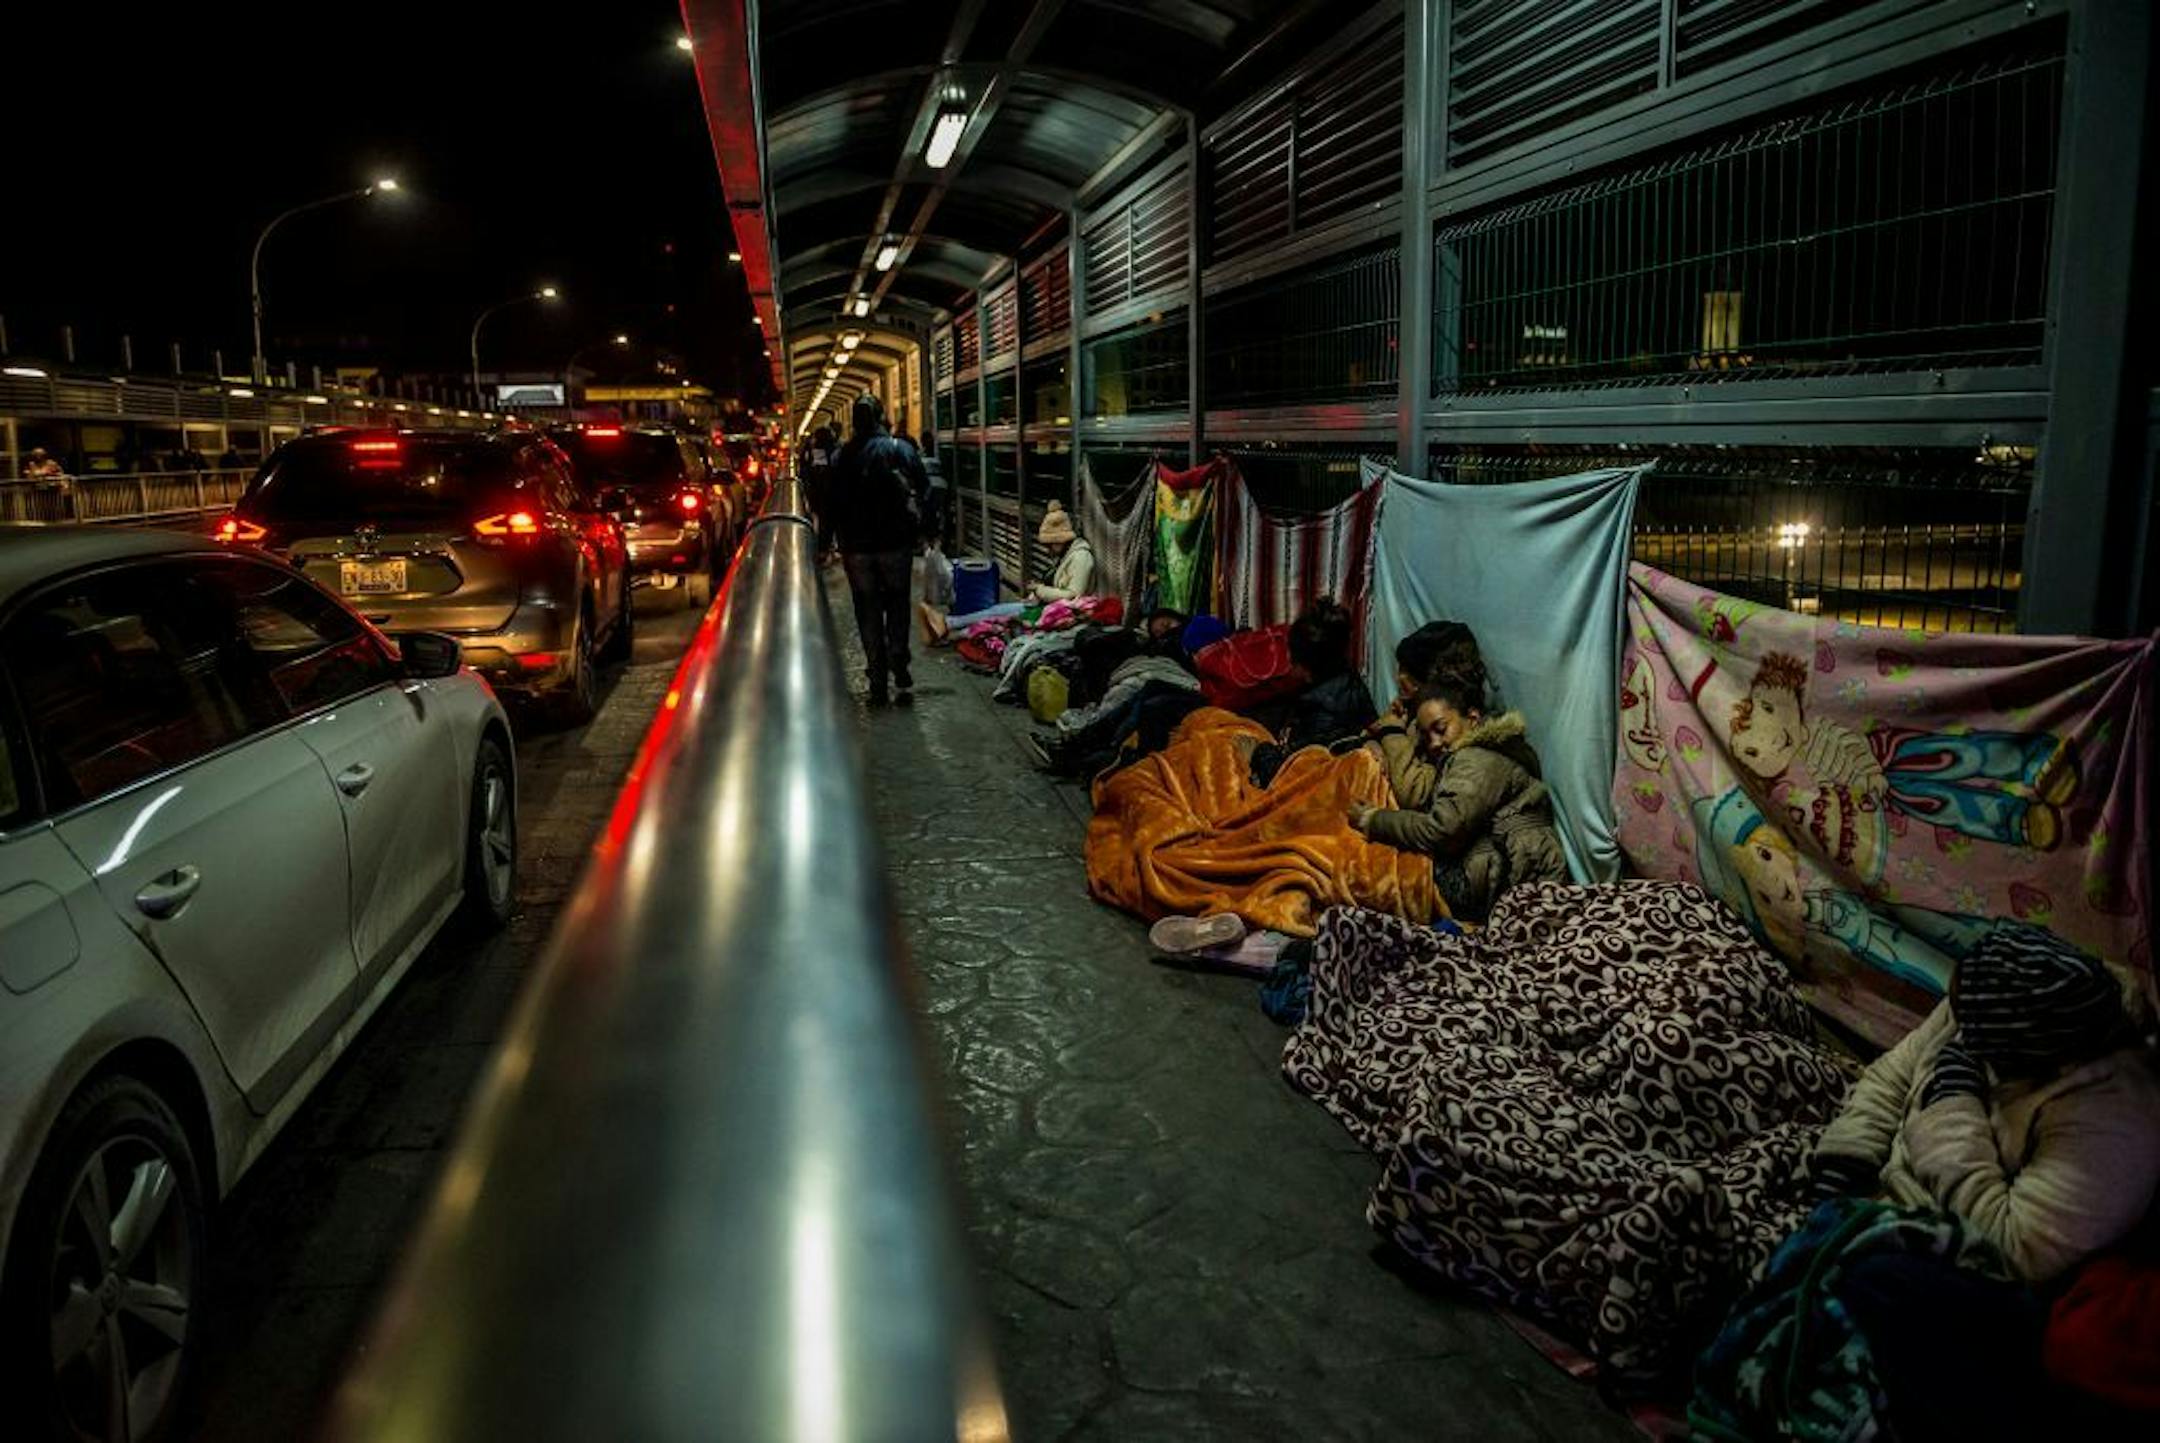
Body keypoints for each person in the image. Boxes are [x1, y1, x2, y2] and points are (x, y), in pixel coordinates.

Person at [1808, 922, 2160, 1284]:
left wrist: (1952, 1101)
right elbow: (1894, 1074)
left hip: (1949, 1255)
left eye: (1968, 1030)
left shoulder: (2113, 1134)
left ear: (2016, 1059)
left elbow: (2011, 1251)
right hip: (1872, 1198)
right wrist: (1844, 1163)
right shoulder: (1995, 991)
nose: (1955, 1027)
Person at [1349, 678, 1565, 923]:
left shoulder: (1478, 758)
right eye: (1427, 736)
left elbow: (1442, 829)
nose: (1435, 743)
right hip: (1510, 869)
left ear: (1472, 719)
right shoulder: (1471, 754)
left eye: (1441, 729)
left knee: (1371, 874)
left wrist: (1373, 819)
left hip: (1516, 874)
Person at [825, 394, 930, 704]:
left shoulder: (841, 456)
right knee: (897, 603)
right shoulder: (900, 449)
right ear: (881, 417)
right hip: (894, 544)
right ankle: (898, 660)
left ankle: (876, 677)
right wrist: (925, 530)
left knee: (866, 608)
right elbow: (923, 489)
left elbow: (831, 504)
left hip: (855, 548)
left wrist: (823, 542)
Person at [1242, 598, 1379, 787]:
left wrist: (1257, 751)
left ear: (1305, 668)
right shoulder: (1346, 678)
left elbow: (1288, 776)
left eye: (1291, 654)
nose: (1287, 657)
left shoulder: (1324, 712)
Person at [1027, 502, 1094, 602]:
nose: (1048, 549)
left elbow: (1073, 595)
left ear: (1061, 540)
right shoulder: (1064, 555)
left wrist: (1040, 590)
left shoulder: (1081, 558)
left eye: (1051, 544)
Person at [918, 432, 949, 551]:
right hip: (941, 486)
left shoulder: (919, 455)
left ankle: (927, 544)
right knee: (940, 514)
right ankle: (939, 542)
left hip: (927, 487)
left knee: (926, 514)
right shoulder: (940, 453)